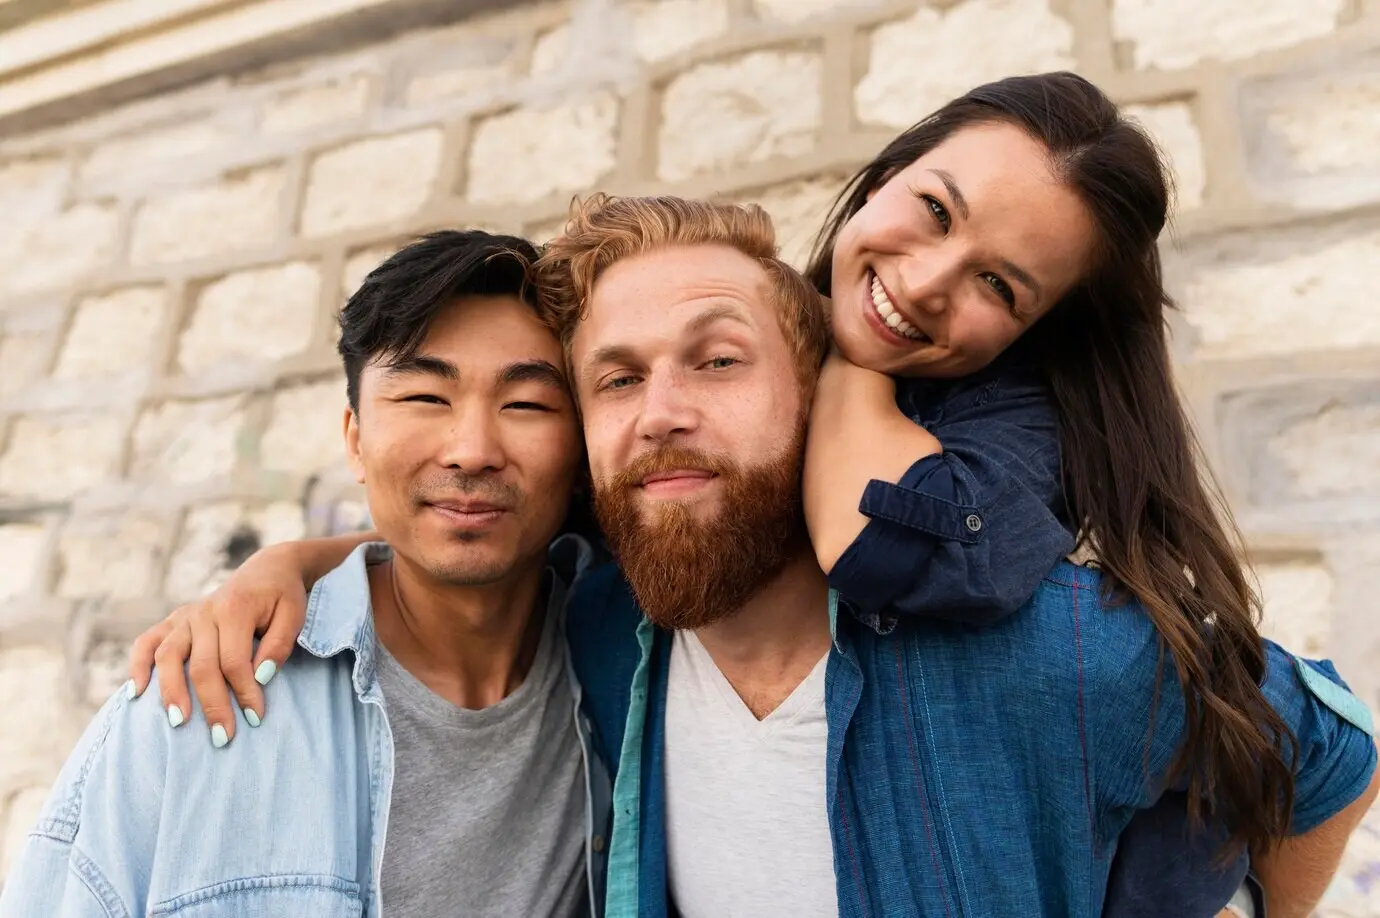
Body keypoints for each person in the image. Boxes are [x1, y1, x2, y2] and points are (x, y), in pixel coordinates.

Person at [123, 73, 1377, 914]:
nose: (660, 410)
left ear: (808, 386)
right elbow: (479, 528)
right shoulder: (604, 624)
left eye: (720, 363)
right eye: (615, 380)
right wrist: (287, 565)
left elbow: (1329, 751)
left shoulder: (1043, 641)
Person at [0, 232, 609, 918]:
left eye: (526, 404)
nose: (472, 451)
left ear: (582, 449)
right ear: (355, 440)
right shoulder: (194, 700)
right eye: (424, 397)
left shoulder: (622, 658)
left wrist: (294, 557)